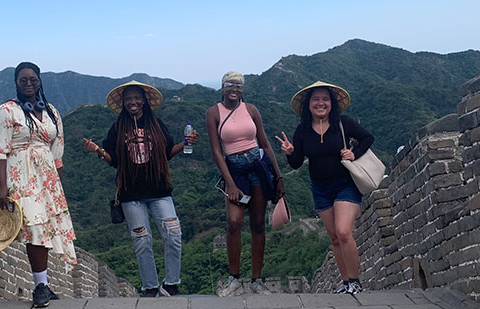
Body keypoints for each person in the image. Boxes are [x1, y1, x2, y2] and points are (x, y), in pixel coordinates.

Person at [83, 81, 198, 297]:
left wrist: (185, 143)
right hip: (131, 194)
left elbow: (168, 152)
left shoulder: (156, 124)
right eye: (129, 99)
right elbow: (113, 160)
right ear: (123, 103)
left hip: (160, 191)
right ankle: (150, 286)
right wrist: (97, 150)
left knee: (173, 234)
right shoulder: (118, 128)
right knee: (142, 240)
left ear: (144, 100)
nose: (133, 102)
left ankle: (171, 283)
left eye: (137, 98)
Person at [0, 62, 77, 308]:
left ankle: (45, 283)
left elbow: (56, 151)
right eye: (23, 80)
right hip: (21, 177)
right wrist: (1, 186)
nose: (29, 84)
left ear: (40, 81)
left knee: (46, 228)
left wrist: (58, 186)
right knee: (35, 228)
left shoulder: (51, 112)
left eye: (33, 80)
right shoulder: (6, 111)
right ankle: (39, 286)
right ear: (16, 83)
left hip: (47, 179)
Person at [276, 81, 374, 295]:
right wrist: (290, 152)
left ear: (332, 104)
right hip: (320, 187)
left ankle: (356, 281)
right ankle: (346, 281)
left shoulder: (343, 124)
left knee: (344, 232)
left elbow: (368, 137)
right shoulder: (302, 130)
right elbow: (296, 163)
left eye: (325, 99)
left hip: (345, 184)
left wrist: (354, 153)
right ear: (308, 105)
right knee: (333, 237)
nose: (321, 103)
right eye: (316, 99)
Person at [206, 72, 285, 297]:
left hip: (258, 168)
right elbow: (216, 152)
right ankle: (234, 279)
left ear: (243, 89)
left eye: (239, 86)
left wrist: (278, 177)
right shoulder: (214, 112)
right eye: (230, 85)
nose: (234, 89)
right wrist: (230, 184)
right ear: (222, 88)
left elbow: (265, 144)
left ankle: (257, 281)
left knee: (258, 224)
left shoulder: (251, 110)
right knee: (234, 222)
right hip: (235, 172)